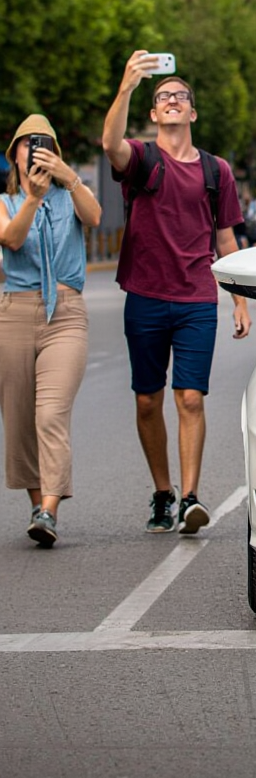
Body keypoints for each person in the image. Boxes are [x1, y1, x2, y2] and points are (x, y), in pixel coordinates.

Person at [102, 52, 251, 535]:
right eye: (162, 97)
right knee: (148, 400)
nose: (171, 102)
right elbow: (109, 144)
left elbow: (226, 238)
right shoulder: (142, 158)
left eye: (179, 97)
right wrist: (126, 85)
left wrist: (241, 298)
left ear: (192, 113)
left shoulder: (216, 171)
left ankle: (190, 497)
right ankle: (162, 492)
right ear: (153, 114)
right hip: (144, 295)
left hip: (196, 300)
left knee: (190, 398)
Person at [0, 114, 102, 547]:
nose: (35, 150)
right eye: (26, 144)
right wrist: (32, 199)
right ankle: (38, 505)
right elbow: (12, 240)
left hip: (66, 313)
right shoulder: (5, 203)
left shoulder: (70, 195)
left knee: (50, 414)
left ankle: (50, 508)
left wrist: (70, 179)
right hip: (14, 312)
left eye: (43, 144)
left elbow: (95, 217)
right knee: (21, 422)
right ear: (14, 156)